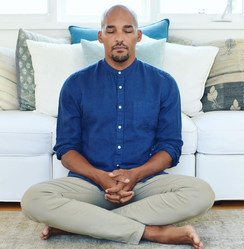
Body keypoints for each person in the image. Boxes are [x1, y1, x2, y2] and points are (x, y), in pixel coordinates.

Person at [21, 5, 215, 249]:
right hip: (90, 185)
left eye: (127, 30)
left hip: (145, 185)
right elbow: (67, 149)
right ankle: (153, 233)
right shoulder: (75, 84)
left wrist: (135, 175)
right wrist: (100, 177)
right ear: (101, 36)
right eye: (111, 31)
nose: (120, 38)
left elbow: (171, 148)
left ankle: (80, 223)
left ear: (138, 36)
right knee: (32, 200)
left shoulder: (164, 84)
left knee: (202, 193)